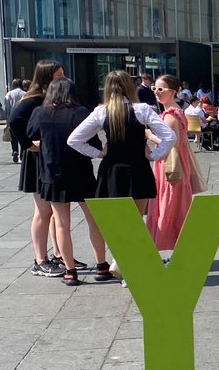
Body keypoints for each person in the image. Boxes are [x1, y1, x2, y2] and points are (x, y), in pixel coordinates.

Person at [67, 72, 175, 283]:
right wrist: (154, 155)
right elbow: (170, 136)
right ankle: (133, 268)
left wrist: (99, 153)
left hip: (112, 171)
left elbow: (74, 139)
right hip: (138, 168)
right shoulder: (142, 109)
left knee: (119, 222)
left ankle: (124, 264)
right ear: (129, 87)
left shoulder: (102, 111)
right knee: (136, 220)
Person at [26, 79, 112, 286]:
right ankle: (101, 265)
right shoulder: (81, 112)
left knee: (62, 224)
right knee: (94, 221)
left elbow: (30, 135)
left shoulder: (40, 112)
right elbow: (93, 142)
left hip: (53, 173)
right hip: (81, 173)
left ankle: (70, 271)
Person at [8, 60, 67, 276]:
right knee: (43, 211)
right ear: (46, 77)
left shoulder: (47, 97)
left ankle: (57, 254)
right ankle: (40, 260)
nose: (62, 78)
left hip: (44, 158)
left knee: (49, 210)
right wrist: (28, 145)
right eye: (58, 75)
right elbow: (13, 120)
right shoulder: (33, 99)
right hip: (36, 160)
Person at [146, 75, 195, 255]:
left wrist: (149, 135)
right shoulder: (176, 111)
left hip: (170, 164)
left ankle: (172, 247)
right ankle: (180, 247)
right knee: (176, 204)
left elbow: (170, 142)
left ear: (173, 92)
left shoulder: (170, 115)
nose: (157, 93)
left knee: (170, 204)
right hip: (177, 162)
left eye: (161, 89)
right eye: (154, 89)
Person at [4, 78, 25, 164]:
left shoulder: (9, 94)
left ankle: (15, 150)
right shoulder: (25, 94)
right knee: (23, 136)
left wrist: (7, 118)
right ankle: (22, 154)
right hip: (23, 118)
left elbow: (7, 108)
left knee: (13, 136)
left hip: (12, 117)